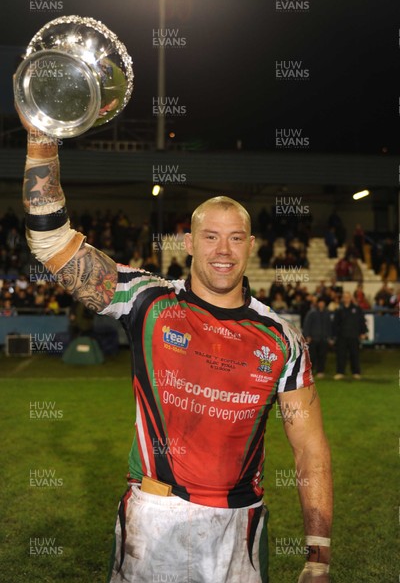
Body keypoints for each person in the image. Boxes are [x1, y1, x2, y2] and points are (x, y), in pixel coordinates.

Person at [19, 112, 332, 583]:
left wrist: (318, 554)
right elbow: (51, 243)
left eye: (235, 238)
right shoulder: (146, 300)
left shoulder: (282, 340)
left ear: (251, 245)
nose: (223, 251)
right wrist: (42, 138)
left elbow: (309, 449)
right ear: (188, 242)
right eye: (210, 237)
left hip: (239, 528)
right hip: (154, 516)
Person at [333, 292, 368, 380]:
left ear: (351, 298)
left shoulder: (357, 309)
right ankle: (340, 372)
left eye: (348, 297)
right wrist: (335, 335)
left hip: (354, 335)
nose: (346, 298)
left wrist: (363, 332)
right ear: (343, 298)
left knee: (354, 355)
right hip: (342, 336)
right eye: (345, 297)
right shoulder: (339, 309)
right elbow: (335, 324)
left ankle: (356, 372)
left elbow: (362, 321)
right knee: (341, 355)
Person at [303, 299, 333, 378]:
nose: (321, 304)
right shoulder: (312, 313)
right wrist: (307, 336)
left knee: (322, 356)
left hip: (323, 338)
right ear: (318, 303)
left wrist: (329, 337)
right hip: (313, 338)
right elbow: (307, 325)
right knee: (311, 356)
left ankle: (320, 371)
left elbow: (329, 326)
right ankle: (310, 371)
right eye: (320, 302)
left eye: (323, 302)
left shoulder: (327, 313)